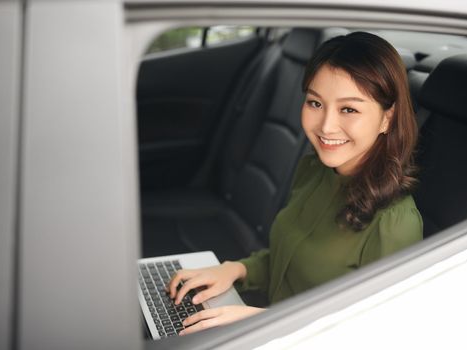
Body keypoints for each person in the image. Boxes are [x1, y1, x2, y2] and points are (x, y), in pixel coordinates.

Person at [166, 31, 423, 335]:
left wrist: (259, 323)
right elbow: (287, 258)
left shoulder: (395, 225)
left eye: (349, 109)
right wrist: (236, 269)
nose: (326, 126)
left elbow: (373, 334)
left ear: (387, 118)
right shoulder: (314, 170)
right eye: (315, 103)